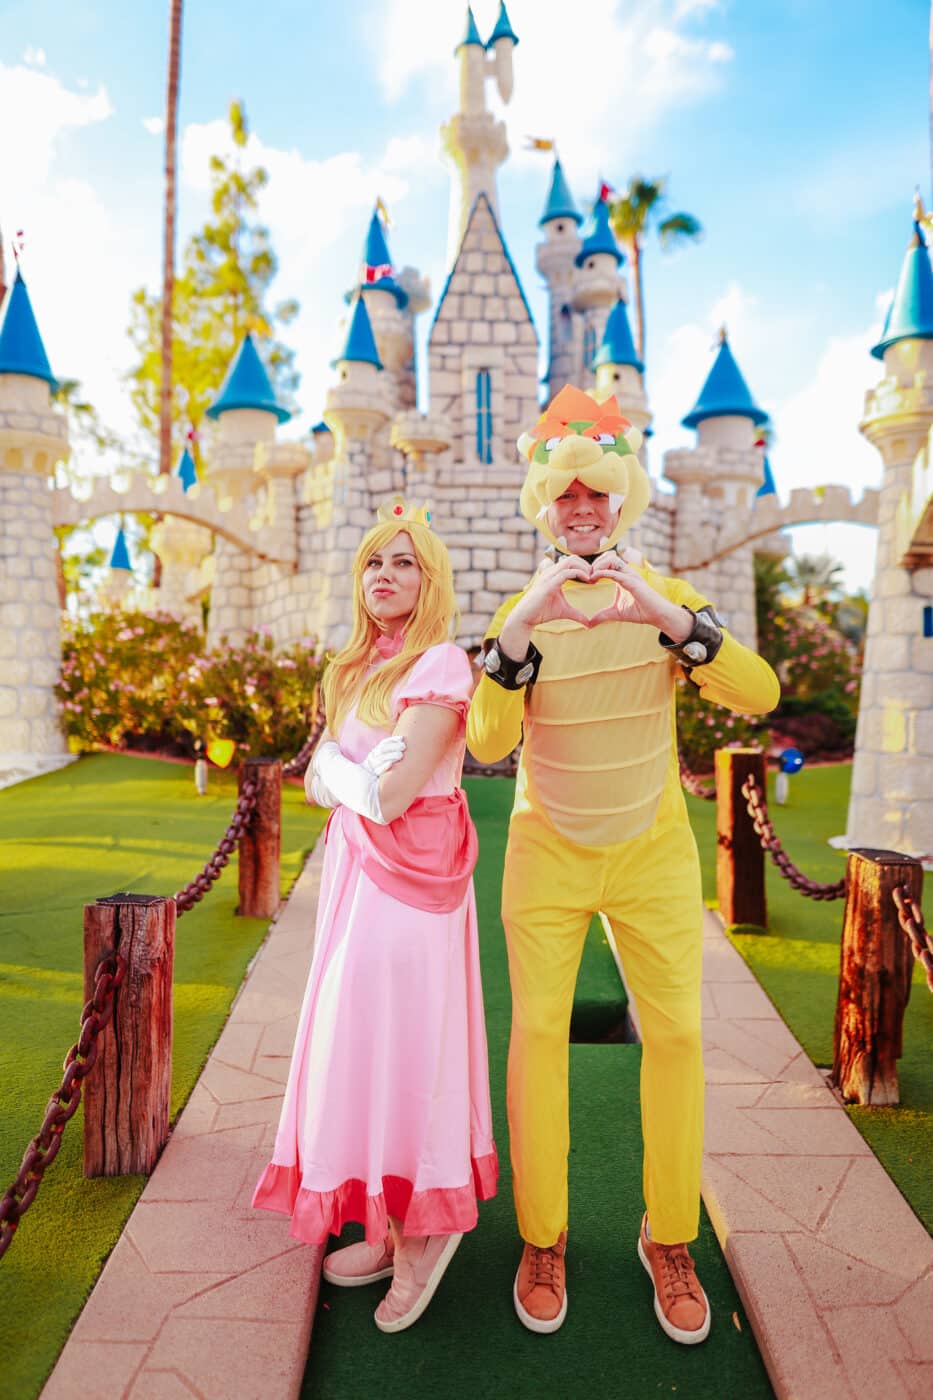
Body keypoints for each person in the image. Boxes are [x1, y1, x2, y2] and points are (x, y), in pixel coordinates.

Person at [466, 385, 779, 1342]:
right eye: (566, 497)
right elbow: (485, 742)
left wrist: (661, 612)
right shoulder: (522, 612)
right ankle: (543, 1236)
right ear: (545, 505)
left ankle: (669, 1237)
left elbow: (758, 695)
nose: (583, 511)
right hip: (547, 850)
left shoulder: (666, 599)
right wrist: (520, 624)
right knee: (536, 1043)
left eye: (597, 496)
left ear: (620, 502)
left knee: (678, 1039)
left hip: (648, 849)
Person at [253, 501, 497, 1333]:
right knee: (360, 1039)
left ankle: (430, 1231)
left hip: (415, 880)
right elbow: (350, 782)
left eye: (404, 562)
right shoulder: (356, 669)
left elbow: (390, 794)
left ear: (429, 580)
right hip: (358, 877)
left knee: (410, 1039)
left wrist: (335, 769)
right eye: (373, 563)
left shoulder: (440, 666)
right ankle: (388, 1223)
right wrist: (339, 768)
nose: (384, 575)